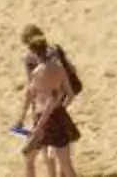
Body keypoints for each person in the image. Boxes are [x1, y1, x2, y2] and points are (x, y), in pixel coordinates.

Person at [14, 26, 80, 176]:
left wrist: (23, 118)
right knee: (66, 163)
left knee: (33, 157)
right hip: (60, 115)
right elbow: (69, 90)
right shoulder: (57, 57)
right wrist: (61, 108)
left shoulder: (34, 68)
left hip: (43, 116)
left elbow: (31, 94)